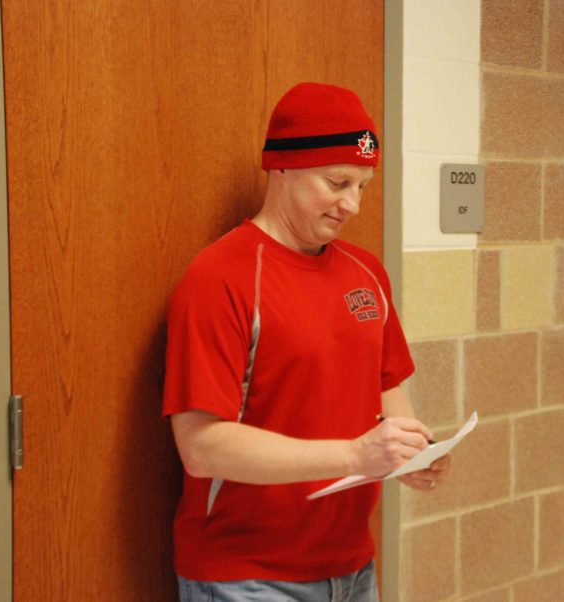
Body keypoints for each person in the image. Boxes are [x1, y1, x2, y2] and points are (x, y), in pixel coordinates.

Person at [163, 82, 450, 602]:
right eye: (338, 182)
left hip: (353, 569)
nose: (352, 205)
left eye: (362, 186)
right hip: (247, 577)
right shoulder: (220, 277)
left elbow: (388, 397)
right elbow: (202, 448)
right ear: (283, 167)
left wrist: (411, 453)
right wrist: (356, 455)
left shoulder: (368, 273)